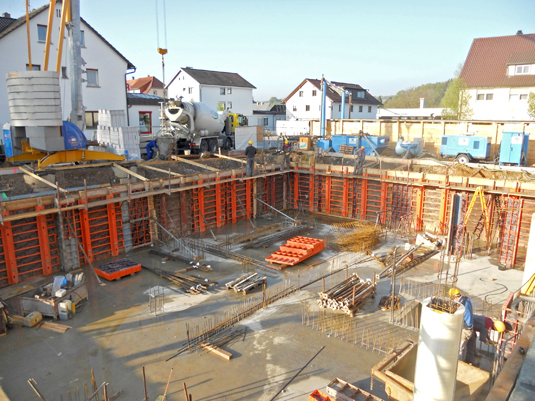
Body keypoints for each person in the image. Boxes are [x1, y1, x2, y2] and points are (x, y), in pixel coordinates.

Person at [449, 288, 476, 364]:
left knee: (461, 348)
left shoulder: (461, 305)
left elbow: (456, 316)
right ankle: (470, 360)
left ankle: (460, 364)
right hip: (470, 326)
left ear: (455, 297)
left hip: (466, 329)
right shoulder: (466, 299)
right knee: (469, 345)